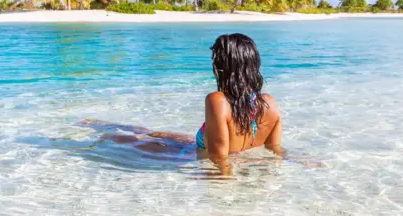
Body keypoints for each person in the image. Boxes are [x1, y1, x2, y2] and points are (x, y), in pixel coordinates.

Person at [82, 33, 310, 174]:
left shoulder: (217, 100)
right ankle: (98, 123)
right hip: (197, 145)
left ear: (223, 66)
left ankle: (89, 134)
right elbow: (275, 150)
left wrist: (224, 190)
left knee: (120, 140)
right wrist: (297, 161)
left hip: (187, 156)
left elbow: (219, 157)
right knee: (156, 133)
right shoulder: (269, 102)